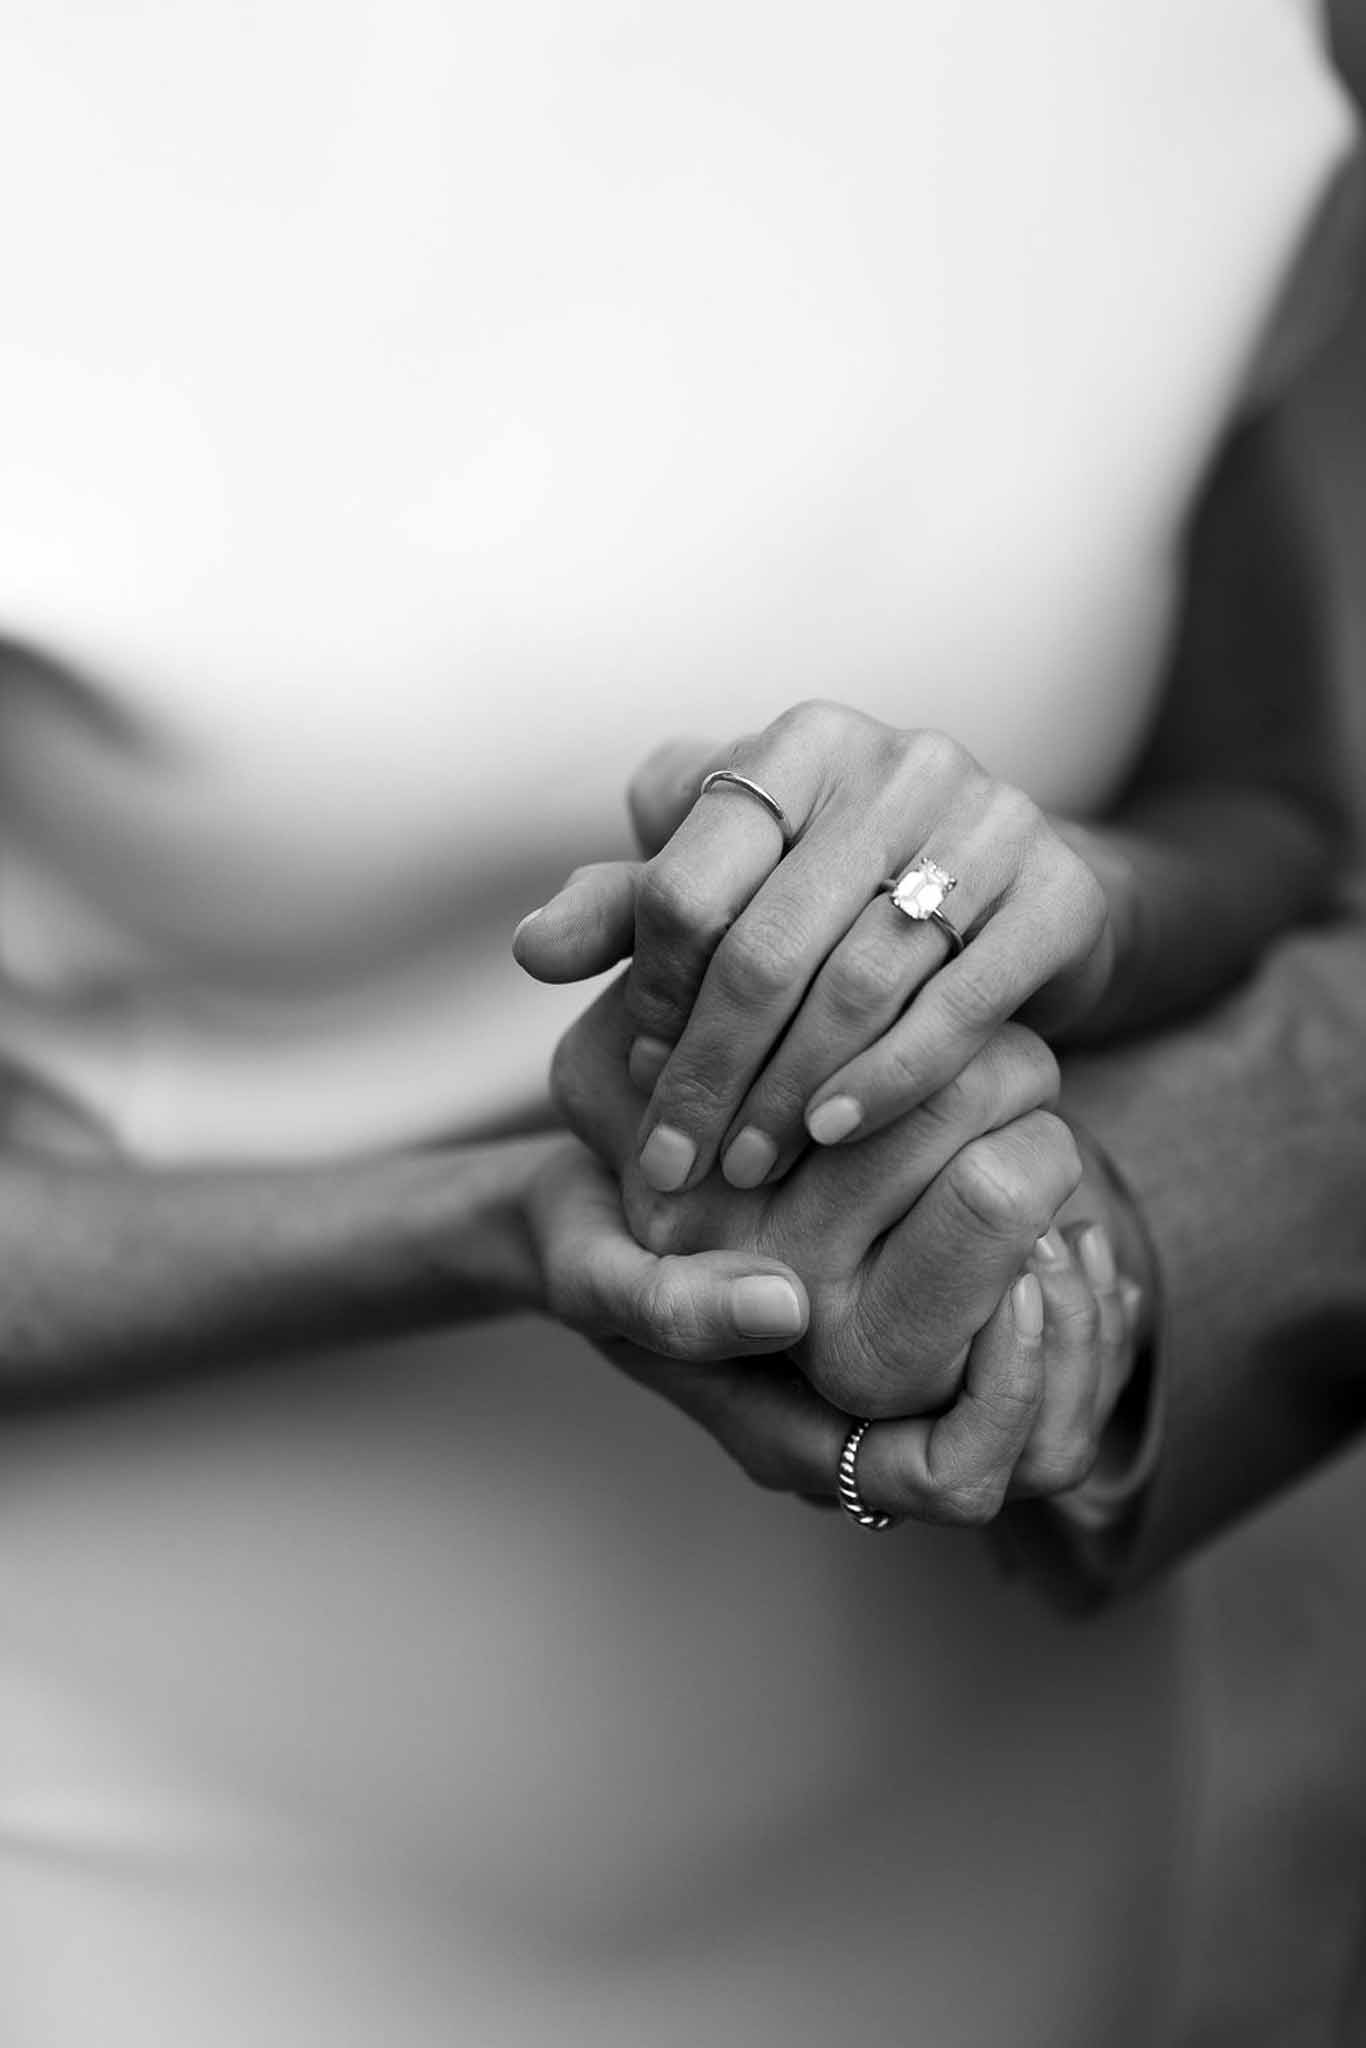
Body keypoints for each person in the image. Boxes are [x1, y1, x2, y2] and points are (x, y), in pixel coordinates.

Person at [0, 4, 1356, 2043]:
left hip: (948, 1759)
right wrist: (507, 1226)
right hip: (133, 1811)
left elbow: (1258, 805)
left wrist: (1046, 912)